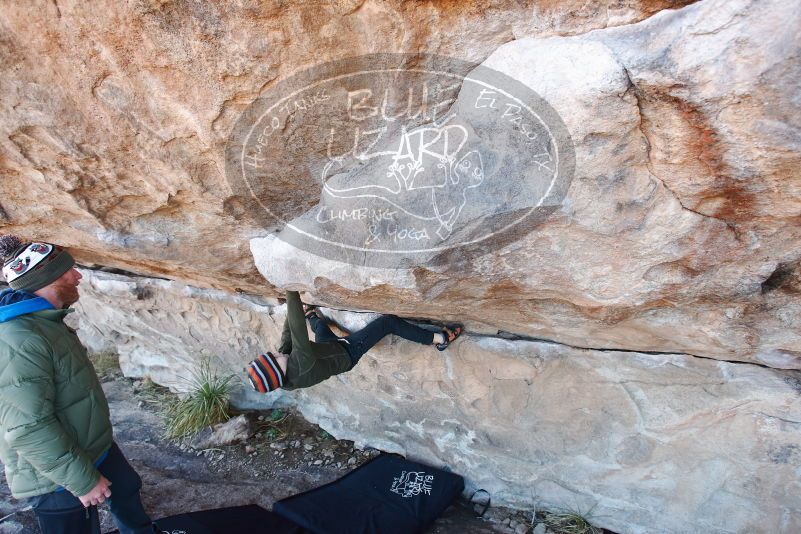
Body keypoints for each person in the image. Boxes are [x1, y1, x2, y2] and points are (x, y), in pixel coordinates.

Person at [0, 235, 158, 534]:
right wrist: (83, 481)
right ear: (46, 279)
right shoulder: (18, 340)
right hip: (52, 474)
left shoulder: (45, 321)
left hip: (90, 445)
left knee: (126, 489)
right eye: (68, 270)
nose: (78, 275)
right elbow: (27, 427)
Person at [247, 290, 462, 393]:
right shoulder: (299, 366)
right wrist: (290, 290)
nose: (276, 353)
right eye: (274, 358)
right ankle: (438, 339)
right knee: (388, 323)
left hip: (326, 350)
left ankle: (312, 314)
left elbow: (288, 338)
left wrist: (294, 307)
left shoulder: (283, 371)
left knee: (321, 327)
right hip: (347, 353)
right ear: (278, 371)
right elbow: (296, 330)